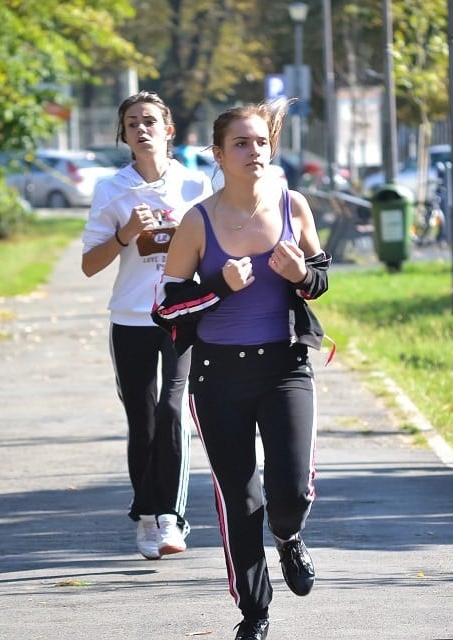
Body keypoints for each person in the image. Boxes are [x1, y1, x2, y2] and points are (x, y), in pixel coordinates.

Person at [151, 99, 331, 640]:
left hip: (285, 367)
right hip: (219, 377)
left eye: (260, 142)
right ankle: (254, 614)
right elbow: (166, 308)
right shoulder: (197, 221)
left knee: (291, 489)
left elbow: (320, 278)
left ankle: (289, 535)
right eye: (241, 143)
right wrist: (216, 287)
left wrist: (302, 273)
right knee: (240, 497)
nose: (254, 151)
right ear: (218, 154)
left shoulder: (293, 205)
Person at [81, 91, 212, 560]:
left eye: (151, 121)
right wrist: (125, 234)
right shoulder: (111, 190)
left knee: (172, 411)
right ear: (124, 135)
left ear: (168, 130)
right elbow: (89, 265)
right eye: (132, 122)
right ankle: (145, 516)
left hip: (180, 315)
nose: (142, 128)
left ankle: (171, 519)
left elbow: (216, 248)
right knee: (143, 420)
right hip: (131, 318)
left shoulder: (197, 186)